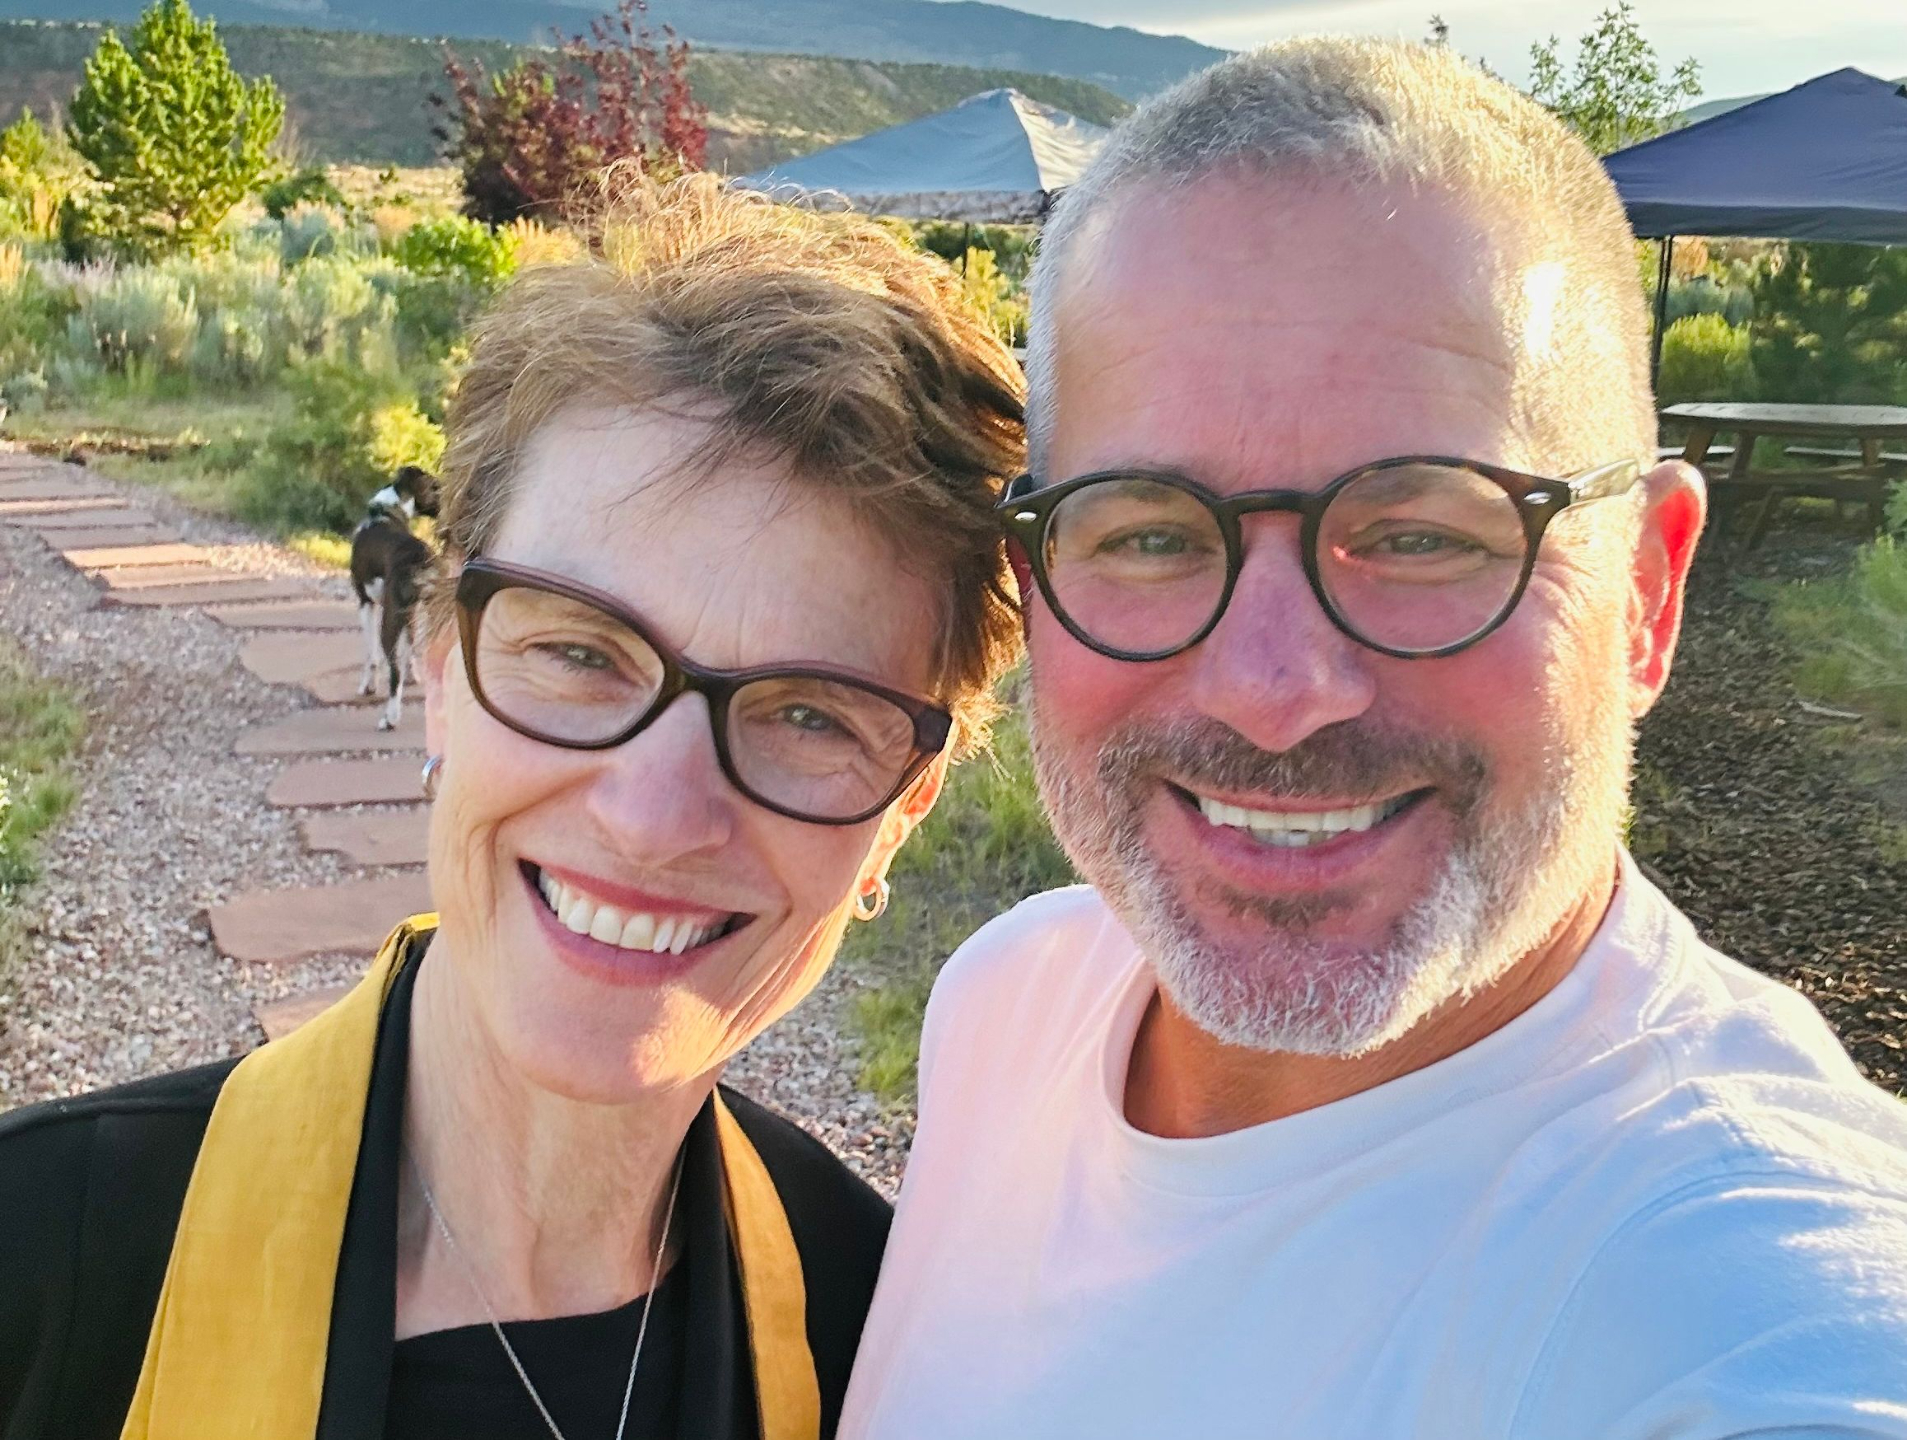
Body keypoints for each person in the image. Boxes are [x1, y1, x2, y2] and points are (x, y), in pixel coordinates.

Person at [840, 39, 1907, 1440]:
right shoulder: (1012, 1001)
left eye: (1420, 534)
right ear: (1035, 583)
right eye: (1148, 534)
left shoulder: (1745, 1302)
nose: (1271, 690)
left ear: (1645, 594)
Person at [0, 173, 1025, 1440]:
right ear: (441, 672)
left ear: (902, 812)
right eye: (581, 653)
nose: (654, 817)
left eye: (809, 715)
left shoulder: (878, 1342)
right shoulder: (42, 1269)